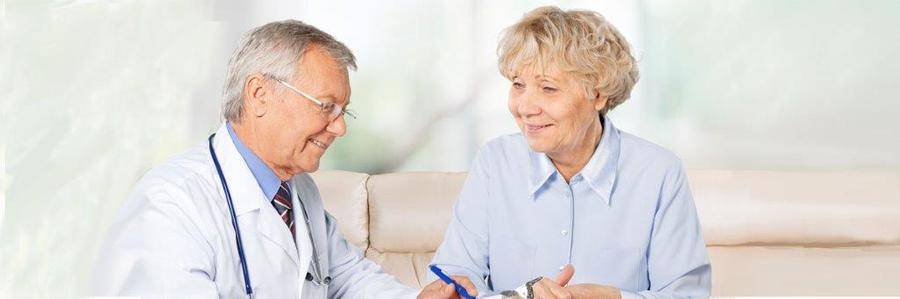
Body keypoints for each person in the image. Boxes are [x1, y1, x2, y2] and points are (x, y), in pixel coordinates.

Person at [92, 20, 474, 299]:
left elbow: (346, 278)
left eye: (344, 111)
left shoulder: (298, 191)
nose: (339, 128)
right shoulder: (171, 202)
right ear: (259, 95)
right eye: (326, 107)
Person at [428, 6, 711, 299]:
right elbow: (455, 269)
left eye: (548, 88)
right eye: (518, 85)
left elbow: (686, 294)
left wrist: (613, 297)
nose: (525, 107)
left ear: (598, 94)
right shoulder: (495, 162)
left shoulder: (658, 173)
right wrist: (455, 287)